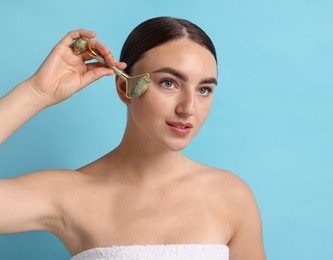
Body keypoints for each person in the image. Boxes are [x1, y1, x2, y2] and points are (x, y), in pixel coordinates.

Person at [0, 17, 266, 259]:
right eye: (169, 83)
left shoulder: (230, 196)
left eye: (204, 89)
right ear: (124, 87)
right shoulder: (68, 194)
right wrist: (36, 92)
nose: (189, 108)